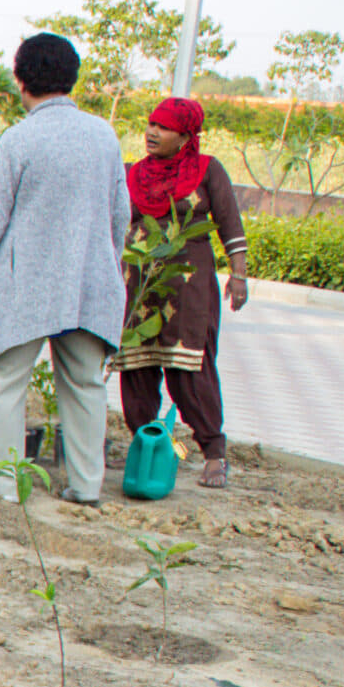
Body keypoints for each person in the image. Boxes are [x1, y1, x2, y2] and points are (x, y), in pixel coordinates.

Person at [0, 33, 129, 507]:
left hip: (25, 283)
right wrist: (107, 266)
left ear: (20, 79)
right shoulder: (103, 136)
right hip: (88, 282)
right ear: (72, 78)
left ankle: (8, 485)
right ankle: (86, 485)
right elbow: (120, 214)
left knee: (6, 383)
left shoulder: (19, 138)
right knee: (85, 385)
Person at [115, 96, 250, 489]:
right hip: (140, 284)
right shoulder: (131, 173)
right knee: (136, 364)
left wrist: (238, 275)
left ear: (186, 135)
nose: (151, 132)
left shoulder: (208, 170)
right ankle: (147, 444)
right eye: (150, 125)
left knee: (189, 364)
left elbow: (228, 221)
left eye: (163, 127)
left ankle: (212, 452)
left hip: (189, 285)